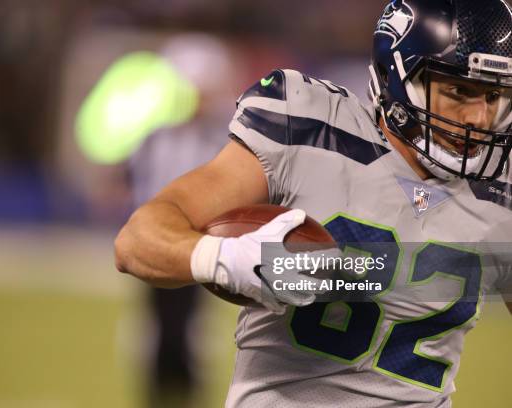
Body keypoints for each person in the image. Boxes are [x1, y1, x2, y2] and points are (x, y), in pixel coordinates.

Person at [115, 0, 512, 406]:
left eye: (495, 95)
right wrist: (229, 259)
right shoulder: (308, 130)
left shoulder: (503, 186)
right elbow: (137, 241)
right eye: (460, 91)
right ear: (398, 77)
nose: (480, 118)